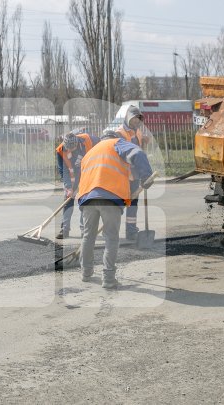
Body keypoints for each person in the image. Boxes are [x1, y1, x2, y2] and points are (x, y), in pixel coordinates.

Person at [77, 129, 154, 289]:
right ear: (115, 138)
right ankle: (109, 278)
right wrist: (146, 175)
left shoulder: (90, 153)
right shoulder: (116, 143)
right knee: (111, 238)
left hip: (87, 198)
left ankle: (86, 273)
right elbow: (138, 152)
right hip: (109, 197)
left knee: (87, 236)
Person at [55, 128, 99, 239]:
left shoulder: (88, 141)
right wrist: (69, 187)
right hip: (72, 176)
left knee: (84, 202)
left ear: (77, 143)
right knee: (67, 201)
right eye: (69, 149)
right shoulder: (61, 151)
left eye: (73, 148)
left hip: (88, 173)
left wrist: (84, 183)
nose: (71, 150)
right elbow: (63, 170)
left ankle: (84, 230)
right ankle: (64, 230)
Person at [115, 105, 151, 240]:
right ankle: (112, 231)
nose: (136, 122)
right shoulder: (119, 133)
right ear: (128, 118)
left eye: (138, 119)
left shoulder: (138, 132)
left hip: (135, 175)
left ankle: (131, 231)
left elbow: (140, 151)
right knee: (120, 204)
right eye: (134, 119)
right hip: (123, 175)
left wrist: (145, 142)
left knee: (133, 204)